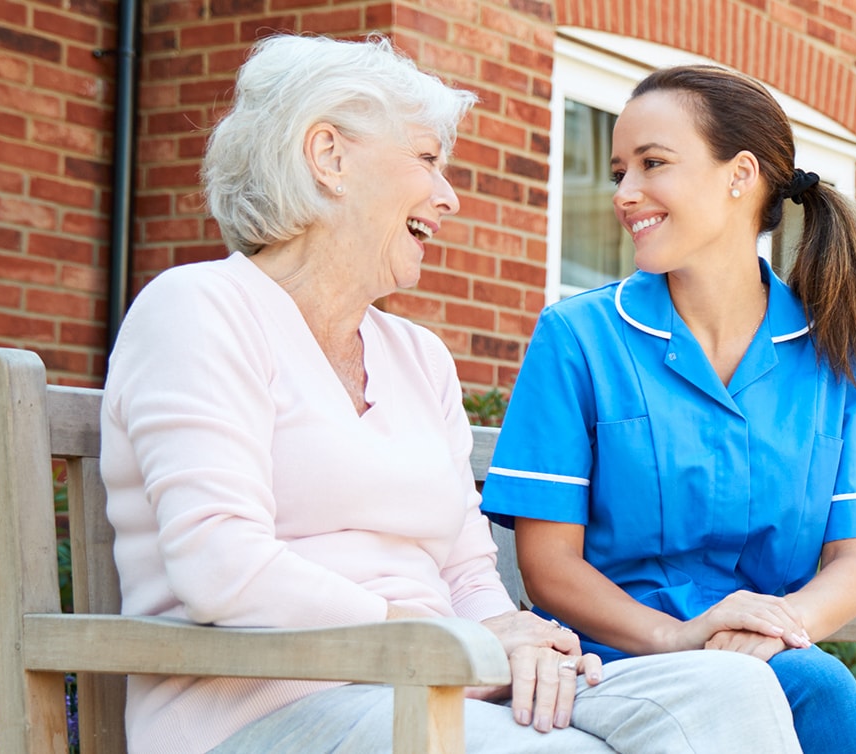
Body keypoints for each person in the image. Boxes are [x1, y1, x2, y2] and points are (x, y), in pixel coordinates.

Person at [99, 35, 802, 754]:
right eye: (429, 160)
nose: (449, 195)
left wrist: (523, 644)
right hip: (265, 710)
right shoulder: (199, 310)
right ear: (329, 156)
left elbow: (468, 570)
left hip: (445, 685)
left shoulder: (417, 358)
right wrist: (449, 641)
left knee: (730, 690)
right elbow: (222, 565)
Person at [481, 64, 856, 754]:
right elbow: (548, 566)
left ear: (740, 175)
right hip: (609, 662)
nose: (625, 193)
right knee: (819, 692)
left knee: (814, 688)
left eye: (653, 164)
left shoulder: (836, 353)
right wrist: (684, 637)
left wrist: (770, 627)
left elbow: (855, 563)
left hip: (771, 662)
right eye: (620, 170)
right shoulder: (577, 338)